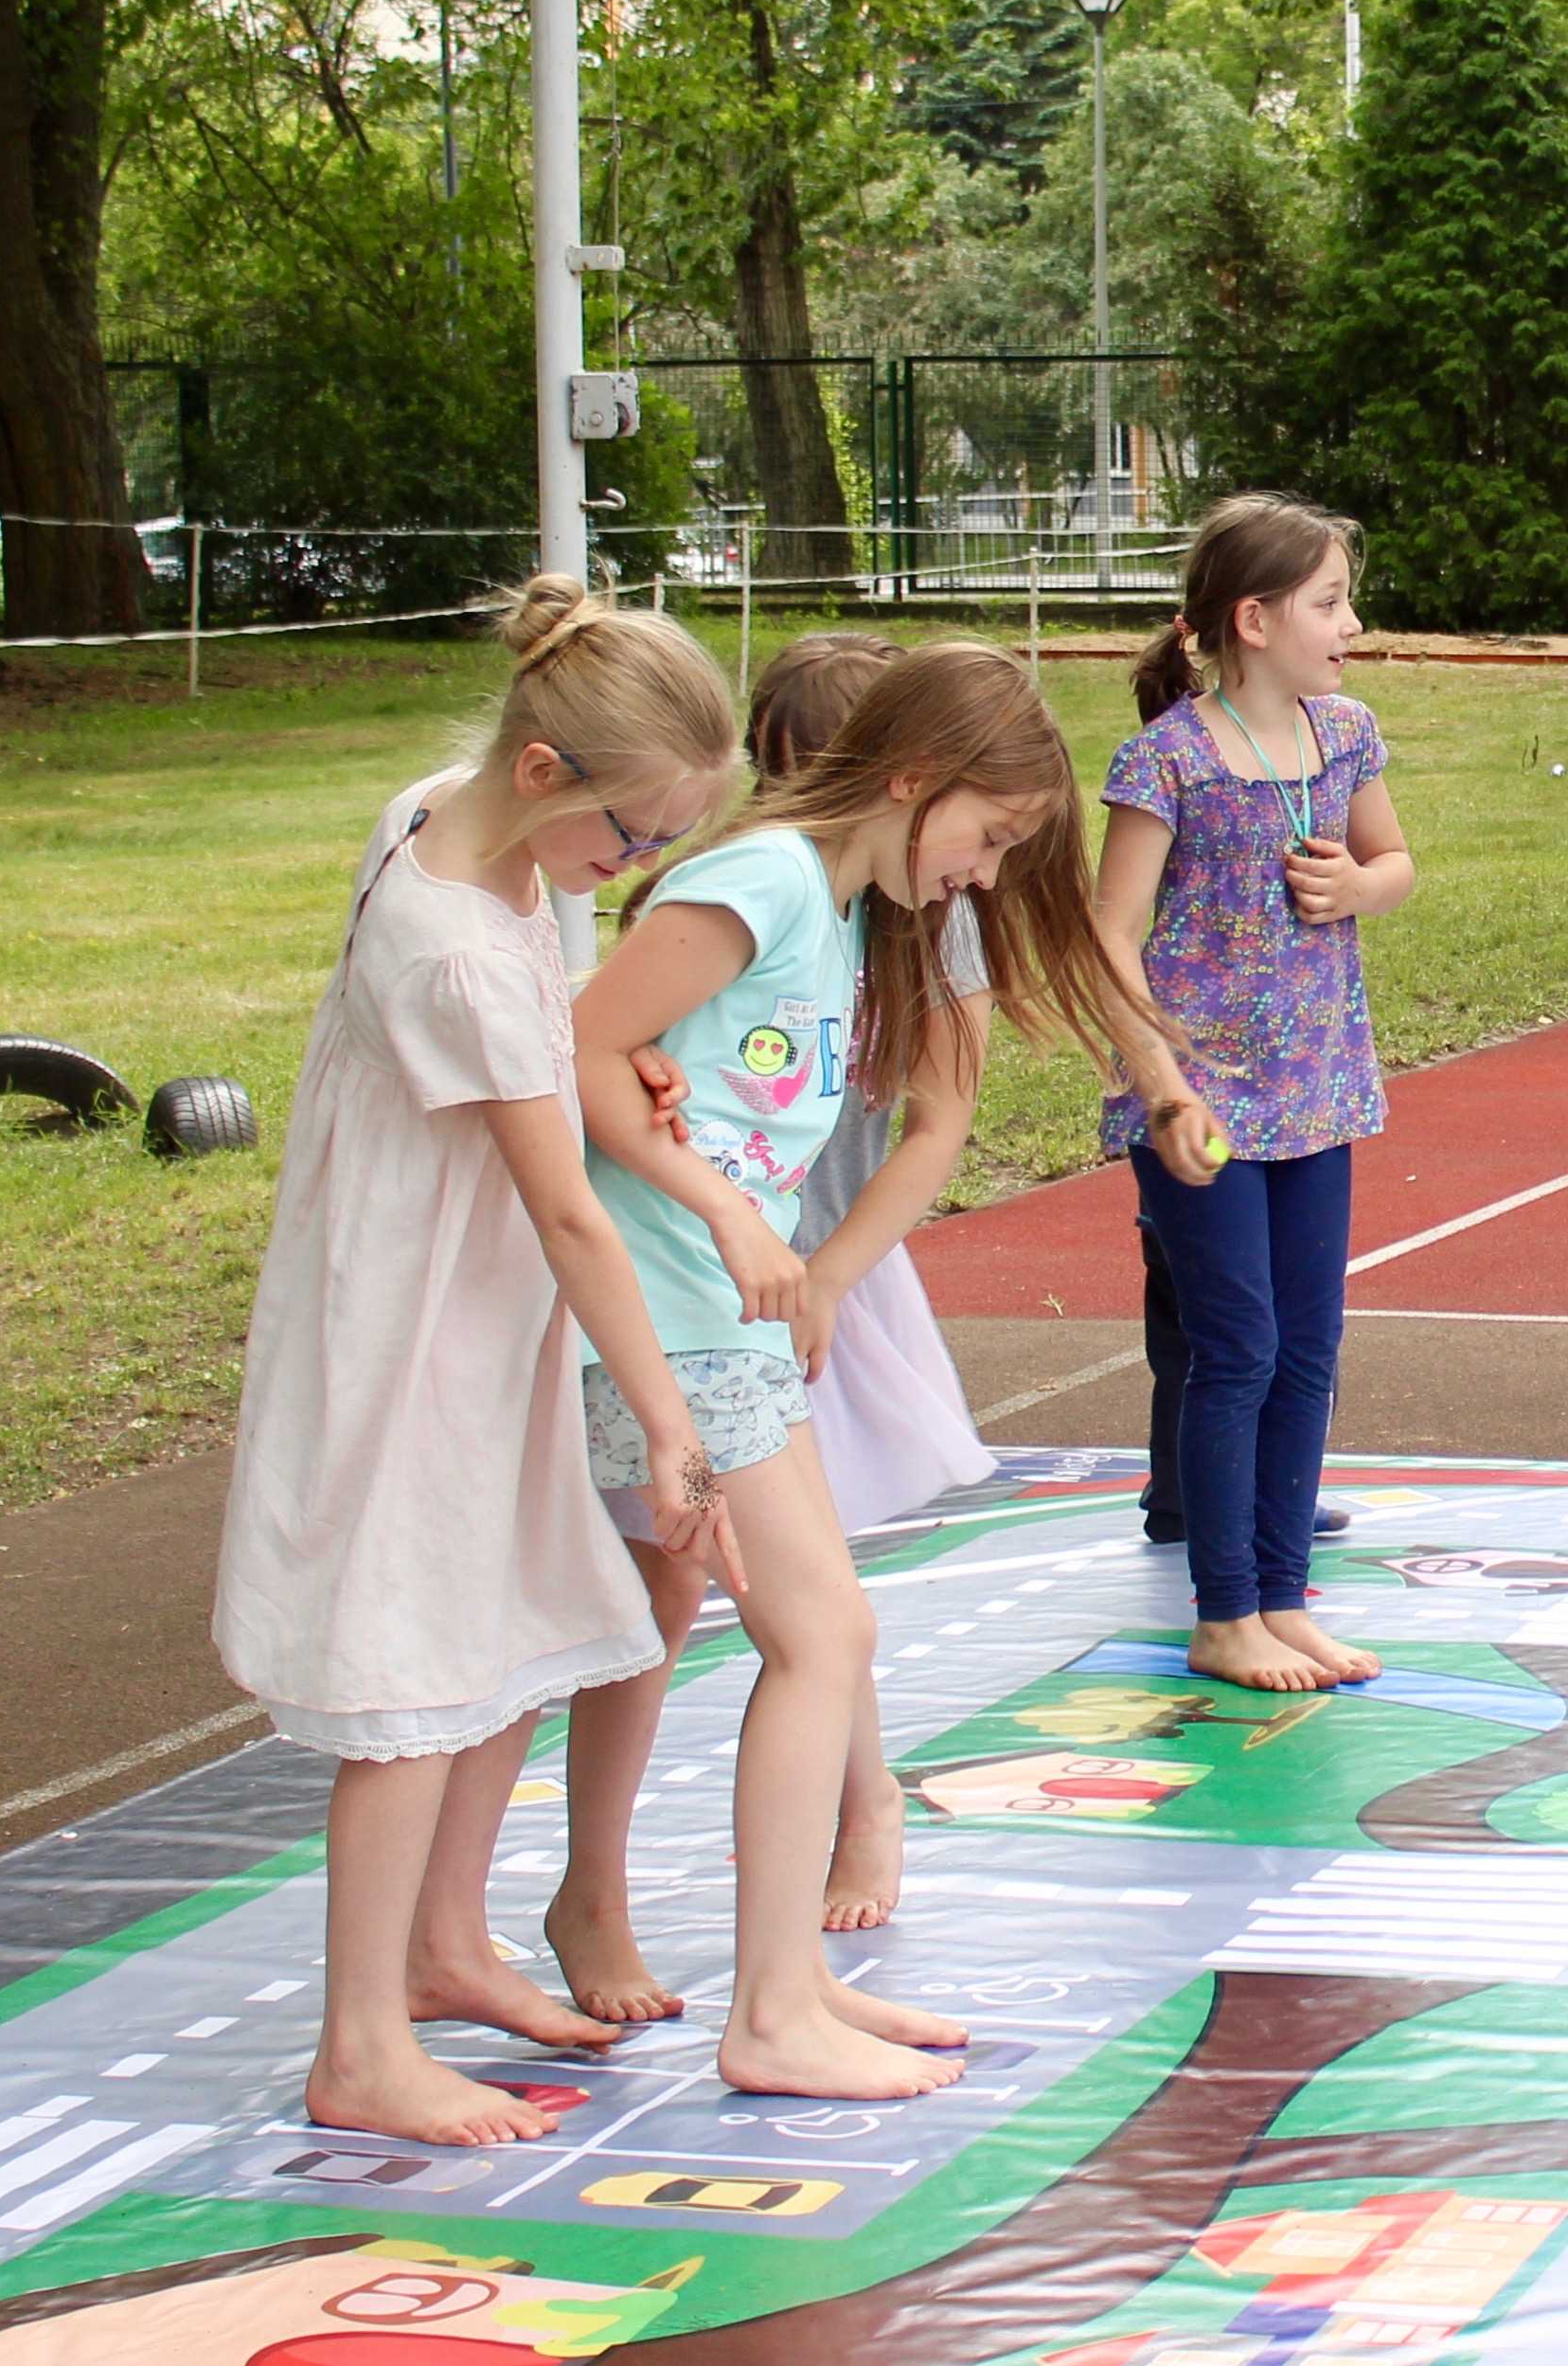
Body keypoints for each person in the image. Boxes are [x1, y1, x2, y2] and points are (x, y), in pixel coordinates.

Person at [211, 578, 741, 2145]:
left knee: (503, 1620)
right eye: (627, 838)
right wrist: (668, 1422)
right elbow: (572, 1209)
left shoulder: (472, 837)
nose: (630, 870)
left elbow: (539, 1039)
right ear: (539, 774)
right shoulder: (448, 935)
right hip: (411, 1329)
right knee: (409, 1667)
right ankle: (359, 2042)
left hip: (473, 1310)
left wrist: (590, 1033)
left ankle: (444, 1947)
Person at [570, 641, 1129, 2096]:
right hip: (671, 1311)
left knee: (824, 1635)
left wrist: (770, 1248)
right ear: (911, 778)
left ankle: (789, 1983)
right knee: (821, 1638)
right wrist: (728, 1216)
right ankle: (769, 2010)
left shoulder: (825, 909)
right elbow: (567, 1053)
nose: (987, 877)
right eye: (989, 838)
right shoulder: (760, 880)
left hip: (727, 1316)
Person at [1103, 493, 1414, 1694]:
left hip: (1319, 1092)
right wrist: (1162, 1087)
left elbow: (1395, 862)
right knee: (1236, 1348)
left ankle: (1282, 1597)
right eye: (1329, 602)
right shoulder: (1170, 756)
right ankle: (1222, 1611)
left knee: (1307, 1348)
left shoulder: (1345, 734)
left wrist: (1358, 888)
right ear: (1254, 618)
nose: (1349, 623)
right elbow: (1108, 931)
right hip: (1206, 1108)